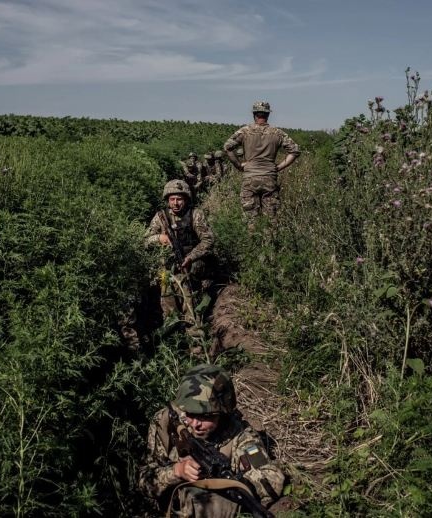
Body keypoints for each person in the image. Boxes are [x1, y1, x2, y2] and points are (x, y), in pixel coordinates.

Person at [138, 364, 285, 517]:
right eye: (190, 414)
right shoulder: (166, 422)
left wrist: (231, 486)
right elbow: (144, 480)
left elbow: (272, 478)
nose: (195, 424)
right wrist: (176, 472)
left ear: (223, 412)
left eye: (206, 417)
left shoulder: (239, 435)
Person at [145, 180, 214, 339]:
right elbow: (145, 239)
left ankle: (194, 337)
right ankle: (173, 336)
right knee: (167, 298)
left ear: (186, 199)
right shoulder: (160, 217)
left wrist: (191, 257)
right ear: (167, 200)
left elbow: (208, 240)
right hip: (166, 268)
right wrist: (158, 237)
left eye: (179, 199)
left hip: (190, 266)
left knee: (190, 301)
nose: (175, 203)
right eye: (172, 199)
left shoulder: (196, 215)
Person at [223, 101, 301, 228]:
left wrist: (239, 165)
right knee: (271, 221)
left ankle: (253, 245)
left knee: (251, 221)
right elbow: (295, 150)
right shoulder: (277, 133)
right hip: (269, 178)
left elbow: (228, 147)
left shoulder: (245, 131)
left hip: (250, 178)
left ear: (254, 114)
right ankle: (270, 245)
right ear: (268, 115)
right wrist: (279, 167)